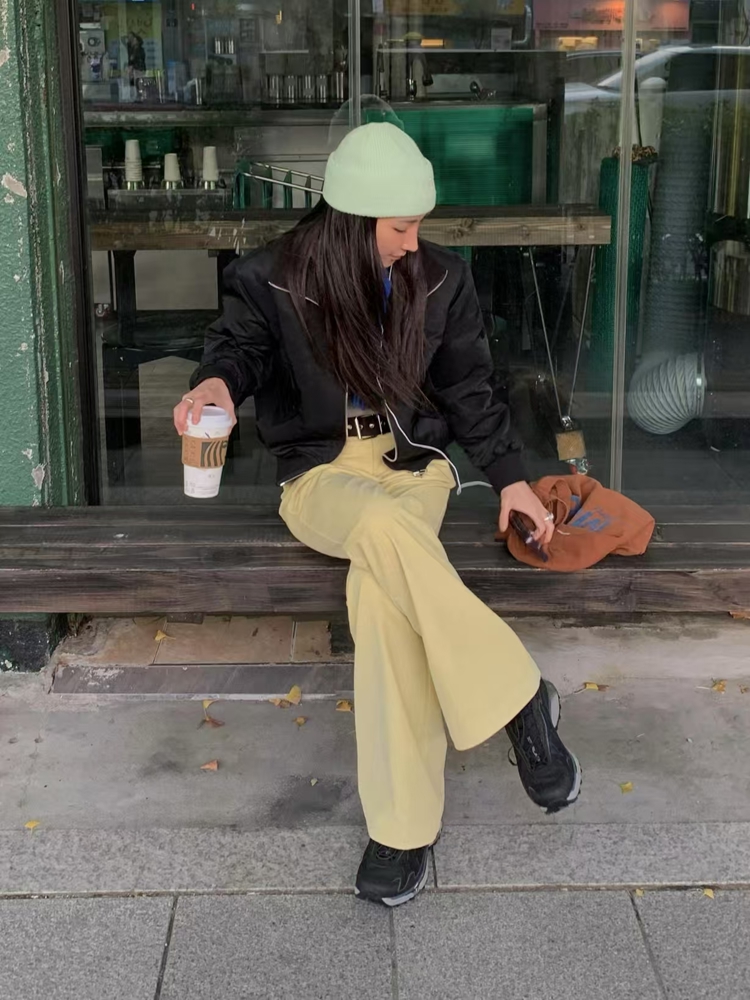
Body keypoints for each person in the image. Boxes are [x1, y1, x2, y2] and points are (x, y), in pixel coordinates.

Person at [173, 123, 581, 907]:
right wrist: (215, 386)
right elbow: (237, 354)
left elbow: (468, 389)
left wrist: (510, 480)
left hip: (413, 467)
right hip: (320, 476)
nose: (413, 241)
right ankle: (519, 695)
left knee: (381, 600)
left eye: (419, 224)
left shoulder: (441, 279)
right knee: (385, 537)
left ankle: (400, 831)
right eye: (399, 227)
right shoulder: (269, 278)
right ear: (354, 221)